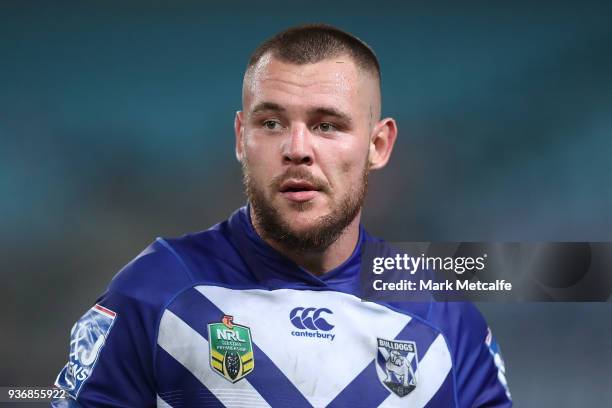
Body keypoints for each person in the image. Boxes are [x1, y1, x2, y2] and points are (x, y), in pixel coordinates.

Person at [52, 24, 512, 407]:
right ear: (240, 137)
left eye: (326, 125)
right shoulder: (154, 292)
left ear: (378, 145)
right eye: (271, 123)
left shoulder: (444, 319)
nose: (296, 150)